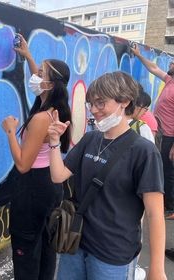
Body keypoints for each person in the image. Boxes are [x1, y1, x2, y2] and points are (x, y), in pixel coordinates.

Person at [48, 71, 166, 280]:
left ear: (125, 101)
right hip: (75, 242)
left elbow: (155, 214)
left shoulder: (144, 151)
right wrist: (55, 141)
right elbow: (58, 176)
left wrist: (157, 269)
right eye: (91, 104)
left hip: (113, 255)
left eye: (100, 103)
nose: (94, 110)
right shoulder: (90, 139)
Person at [2, 34, 71, 280]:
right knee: (45, 246)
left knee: (26, 249)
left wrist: (10, 131)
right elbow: (42, 84)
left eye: (41, 73)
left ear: (50, 85)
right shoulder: (56, 107)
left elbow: (22, 165)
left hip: (33, 188)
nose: (36, 76)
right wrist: (29, 57)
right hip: (50, 184)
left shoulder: (41, 118)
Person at [131, 44, 174, 219]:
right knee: (162, 168)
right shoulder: (170, 81)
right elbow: (153, 68)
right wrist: (139, 55)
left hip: (170, 136)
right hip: (162, 133)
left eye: (173, 63)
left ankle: (170, 208)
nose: (171, 63)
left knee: (167, 171)